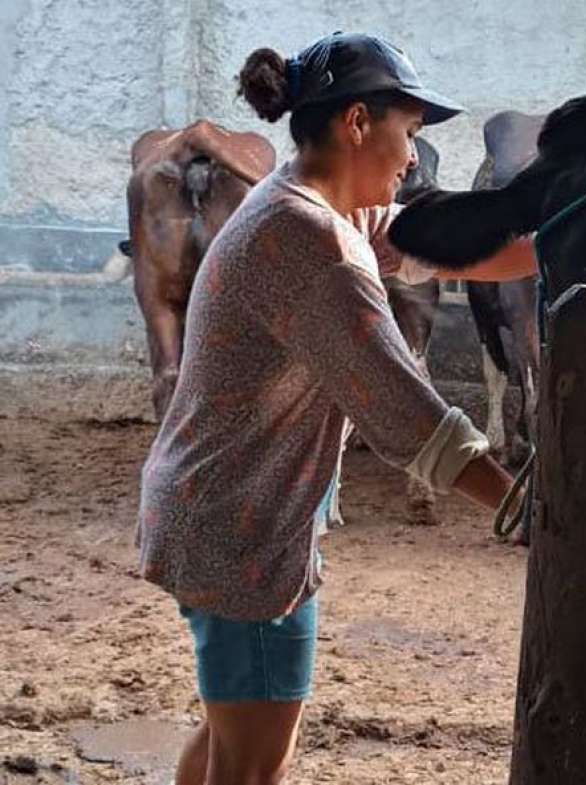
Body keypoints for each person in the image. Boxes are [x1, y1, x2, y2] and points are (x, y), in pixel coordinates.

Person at [136, 31, 536, 785]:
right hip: (241, 536)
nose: (413, 156)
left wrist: (563, 248)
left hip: (223, 513)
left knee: (228, 739)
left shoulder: (318, 205)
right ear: (357, 123)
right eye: (408, 133)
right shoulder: (308, 239)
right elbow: (411, 418)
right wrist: (525, 508)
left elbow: (444, 252)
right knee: (256, 763)